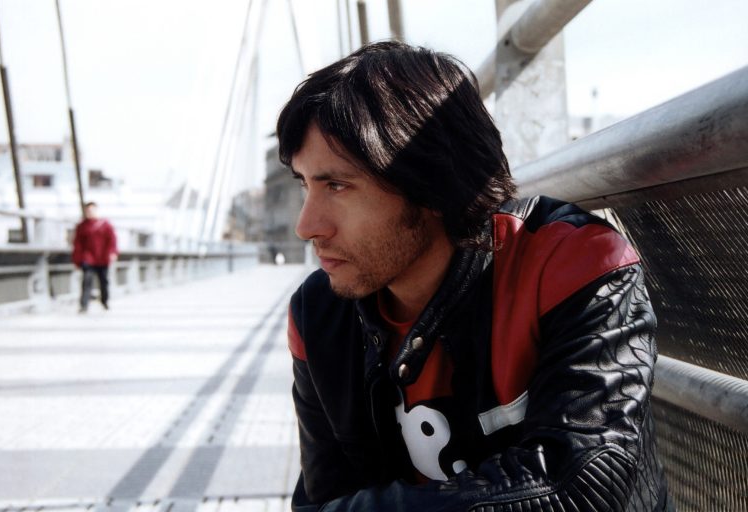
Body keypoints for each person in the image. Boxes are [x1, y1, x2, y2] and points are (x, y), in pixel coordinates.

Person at [278, 41, 672, 511]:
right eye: (305, 184)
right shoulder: (319, 314)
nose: (307, 226)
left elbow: (585, 483)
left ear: (429, 182)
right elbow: (325, 495)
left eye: (337, 185)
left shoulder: (573, 265)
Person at [72, 201, 118, 312]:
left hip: (103, 258)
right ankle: (84, 305)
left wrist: (113, 252)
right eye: (88, 210)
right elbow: (77, 244)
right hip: (88, 258)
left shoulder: (105, 225)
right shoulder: (82, 226)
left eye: (92, 210)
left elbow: (112, 240)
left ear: (96, 210)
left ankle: (104, 301)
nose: (90, 212)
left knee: (104, 281)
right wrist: (77, 260)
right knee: (86, 281)